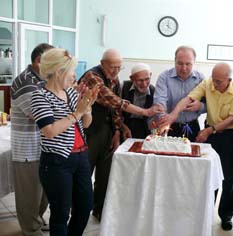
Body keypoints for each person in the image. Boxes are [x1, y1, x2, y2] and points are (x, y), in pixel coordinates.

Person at [162, 62, 233, 231]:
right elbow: (188, 98)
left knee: (229, 179)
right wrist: (173, 115)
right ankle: (206, 213)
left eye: (219, 81)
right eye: (213, 80)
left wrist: (210, 130)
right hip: (211, 135)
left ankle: (226, 216)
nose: (214, 84)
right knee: (208, 175)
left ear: (229, 80)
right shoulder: (208, 83)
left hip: (230, 136)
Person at [79, 49, 160, 221]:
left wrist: (116, 129)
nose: (115, 71)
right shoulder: (93, 76)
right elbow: (114, 101)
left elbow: (114, 110)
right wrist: (144, 112)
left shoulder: (115, 80)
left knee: (105, 174)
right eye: (112, 67)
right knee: (84, 172)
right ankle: (79, 211)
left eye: (118, 67)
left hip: (108, 130)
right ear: (102, 64)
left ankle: (100, 209)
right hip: (89, 130)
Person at [31, 48, 98, 235]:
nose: (74, 76)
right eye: (71, 71)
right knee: (60, 213)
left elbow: (86, 124)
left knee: (85, 206)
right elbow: (49, 131)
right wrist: (77, 113)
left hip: (81, 157)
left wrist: (87, 107)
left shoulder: (70, 92)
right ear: (59, 71)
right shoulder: (39, 96)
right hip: (57, 162)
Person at [10, 43, 54, 236]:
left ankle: (37, 219)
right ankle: (30, 228)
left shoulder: (43, 80)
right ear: (38, 61)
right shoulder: (24, 81)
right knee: (29, 193)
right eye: (52, 62)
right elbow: (38, 113)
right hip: (27, 148)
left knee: (44, 190)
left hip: (44, 145)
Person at [154, 45, 205, 141]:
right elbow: (160, 101)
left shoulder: (201, 79)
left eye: (188, 64)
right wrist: (164, 119)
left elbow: (209, 105)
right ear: (174, 61)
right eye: (180, 63)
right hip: (169, 126)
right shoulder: (164, 77)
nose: (184, 68)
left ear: (194, 62)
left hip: (191, 127)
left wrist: (200, 106)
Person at [121, 63, 155, 139]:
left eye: (147, 79)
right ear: (131, 78)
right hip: (124, 126)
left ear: (150, 75)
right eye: (140, 80)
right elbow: (115, 111)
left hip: (145, 129)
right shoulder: (123, 87)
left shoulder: (154, 91)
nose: (144, 84)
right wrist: (122, 127)